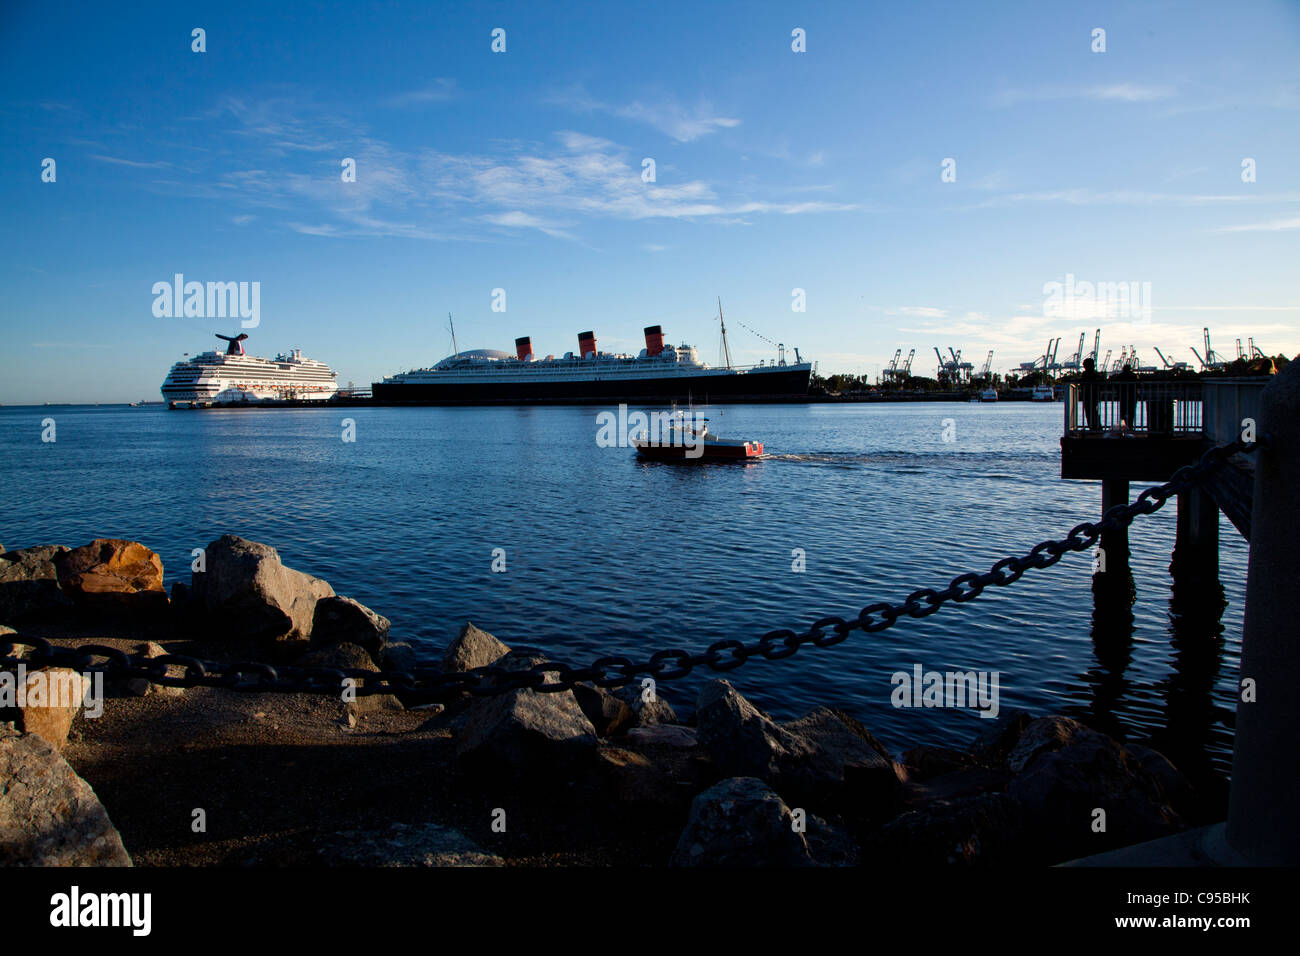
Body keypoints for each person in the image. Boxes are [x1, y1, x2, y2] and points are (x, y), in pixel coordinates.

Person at [1113, 363, 1138, 431]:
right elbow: (1137, 384)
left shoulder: (1120, 376)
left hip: (1123, 396)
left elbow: (1116, 385)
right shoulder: (1134, 375)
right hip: (1132, 396)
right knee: (1131, 412)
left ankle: (1124, 426)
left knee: (1123, 412)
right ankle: (1130, 426)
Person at [1079, 357, 1102, 431]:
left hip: (1089, 396)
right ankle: (1095, 426)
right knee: (1093, 412)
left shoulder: (1087, 374)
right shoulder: (1095, 374)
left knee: (1090, 412)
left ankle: (1093, 427)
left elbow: (1082, 382)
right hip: (1093, 396)